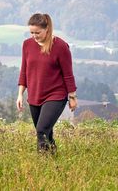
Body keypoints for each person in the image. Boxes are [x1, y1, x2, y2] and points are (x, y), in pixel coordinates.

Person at [17, 13, 77, 154]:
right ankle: (53, 160)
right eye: (31, 32)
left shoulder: (61, 46)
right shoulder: (27, 45)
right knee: (47, 133)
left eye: (37, 32)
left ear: (47, 29)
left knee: (41, 130)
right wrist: (20, 94)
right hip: (35, 95)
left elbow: (68, 74)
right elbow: (24, 71)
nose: (34, 36)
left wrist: (72, 97)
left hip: (55, 95)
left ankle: (42, 163)